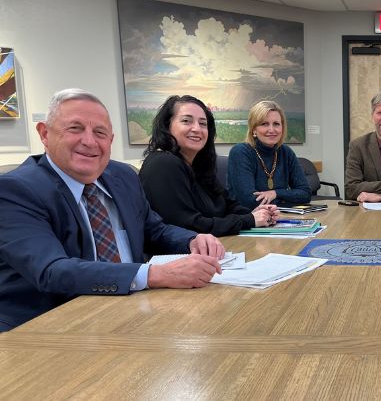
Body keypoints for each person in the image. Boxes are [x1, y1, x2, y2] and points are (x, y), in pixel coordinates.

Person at [0, 89, 227, 332]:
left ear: (110, 140)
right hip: (49, 328)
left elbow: (154, 229)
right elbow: (52, 271)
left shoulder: (123, 175)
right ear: (44, 134)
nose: (89, 141)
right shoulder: (15, 190)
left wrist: (193, 239)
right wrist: (153, 274)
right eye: (75, 128)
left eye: (100, 132)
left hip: (137, 312)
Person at [139, 95, 279, 236]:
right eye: (186, 121)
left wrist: (256, 213)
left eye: (203, 124)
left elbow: (226, 204)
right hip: (179, 256)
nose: (197, 129)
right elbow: (188, 226)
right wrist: (249, 220)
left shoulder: (198, 165)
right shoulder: (163, 164)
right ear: (167, 126)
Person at [227, 100, 311, 209]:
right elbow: (249, 201)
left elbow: (305, 193)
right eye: (264, 124)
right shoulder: (240, 152)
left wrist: (275, 193)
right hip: (247, 220)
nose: (271, 130)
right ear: (254, 130)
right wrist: (288, 199)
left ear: (282, 128)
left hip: (279, 218)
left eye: (276, 124)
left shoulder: (286, 152)